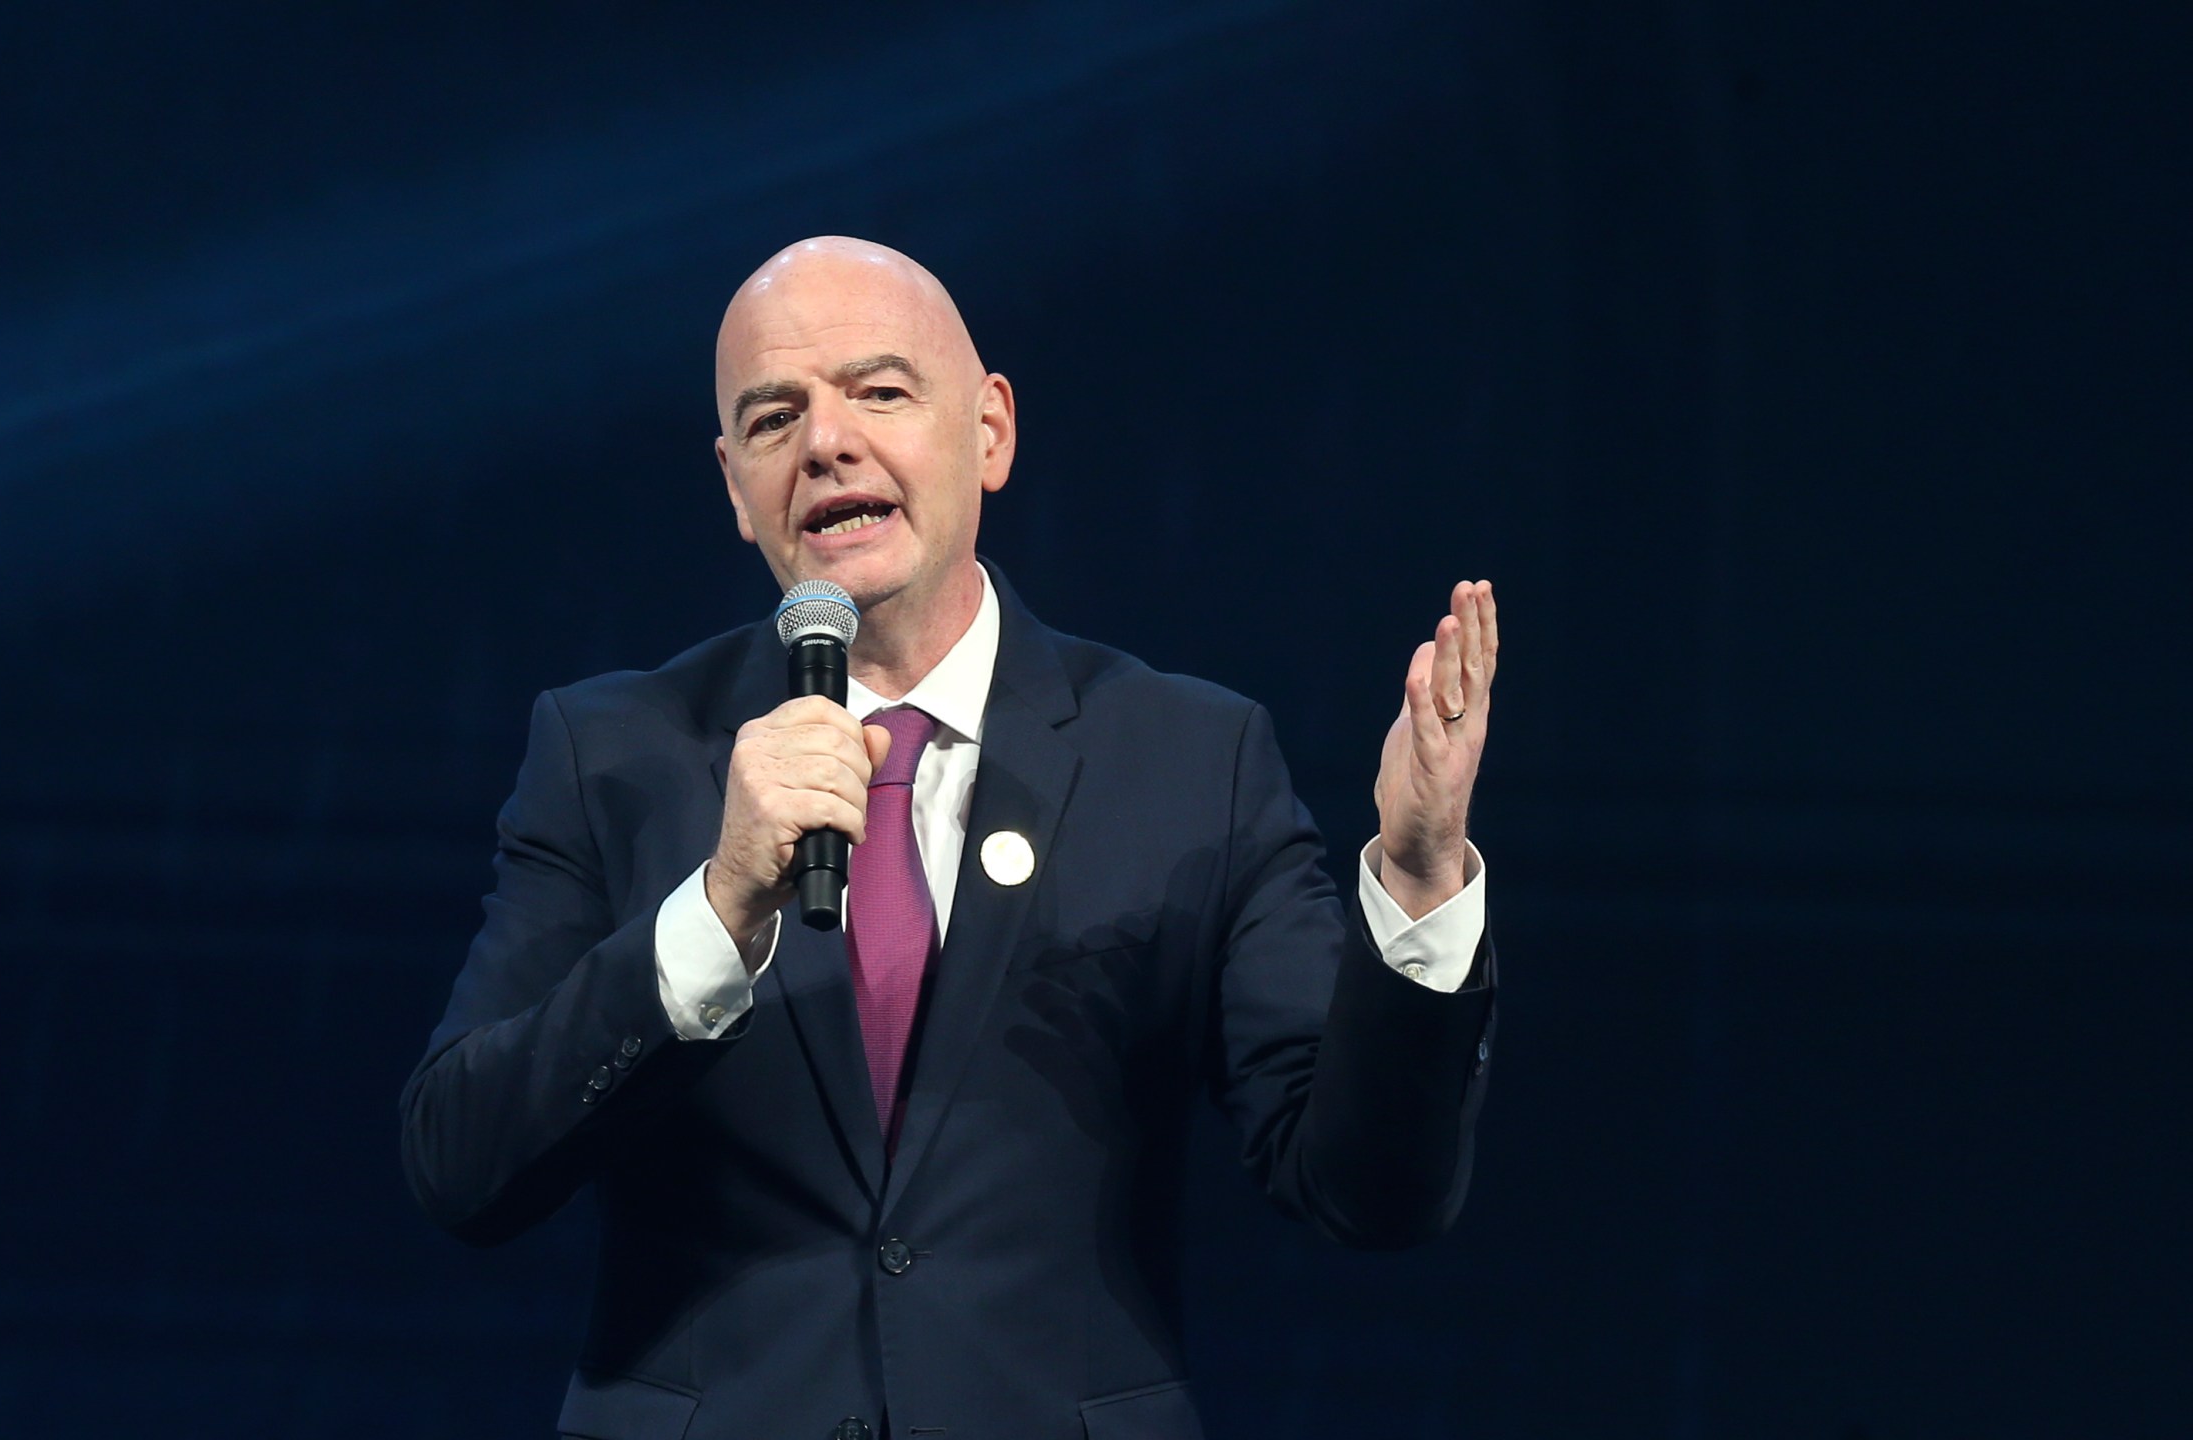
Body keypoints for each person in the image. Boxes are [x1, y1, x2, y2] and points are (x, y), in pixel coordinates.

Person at [401, 237, 1500, 1440]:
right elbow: (461, 1162)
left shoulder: (1190, 759)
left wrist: (1416, 875)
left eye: (878, 392)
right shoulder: (610, 751)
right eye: (774, 419)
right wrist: (712, 913)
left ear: (989, 433)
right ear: (734, 485)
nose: (823, 443)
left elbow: (1366, 1193)